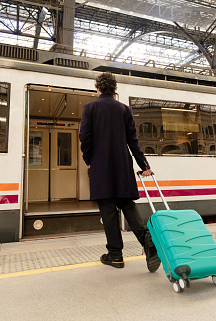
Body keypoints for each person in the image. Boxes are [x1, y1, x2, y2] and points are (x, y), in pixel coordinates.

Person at [79, 72, 160, 272]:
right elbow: (133, 141)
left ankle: (115, 256)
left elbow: (85, 138)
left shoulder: (90, 108)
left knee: (108, 210)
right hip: (123, 165)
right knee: (127, 204)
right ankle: (147, 242)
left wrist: (91, 160)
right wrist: (144, 166)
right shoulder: (125, 110)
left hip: (101, 167)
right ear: (114, 89)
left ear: (98, 88)